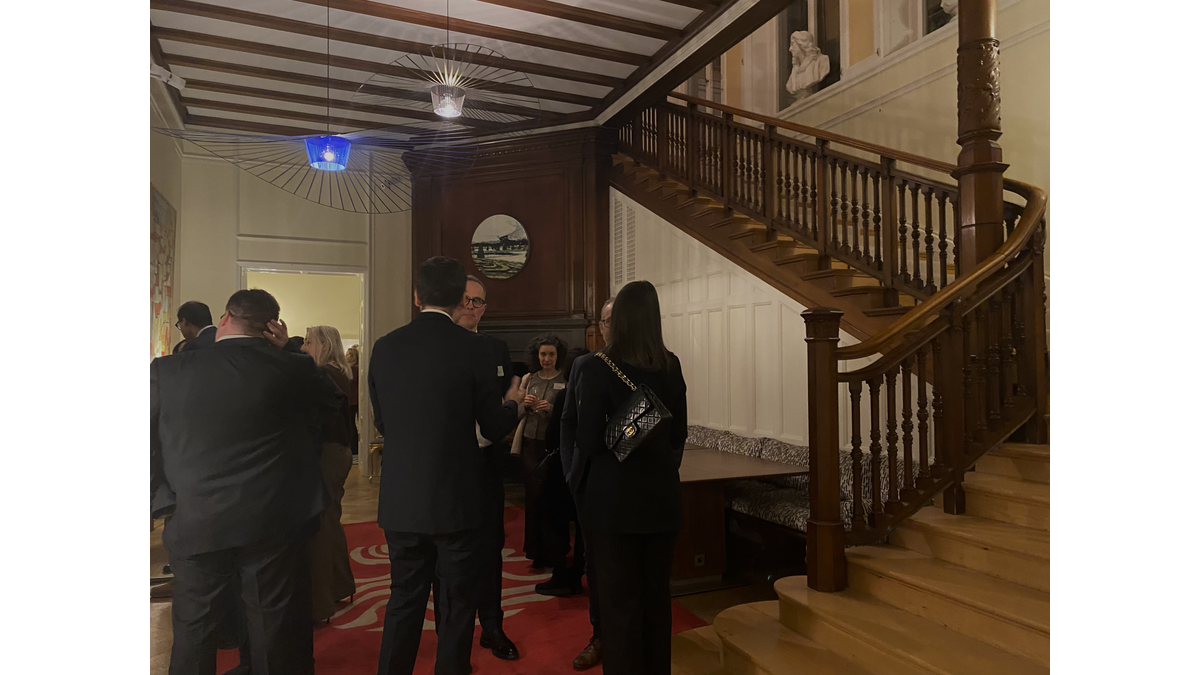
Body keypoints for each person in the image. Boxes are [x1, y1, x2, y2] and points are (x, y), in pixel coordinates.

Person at [151, 289, 344, 675]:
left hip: (195, 515)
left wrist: (161, 500)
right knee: (271, 623)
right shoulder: (292, 368)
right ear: (272, 326)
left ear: (225, 318)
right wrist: (289, 348)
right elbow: (333, 400)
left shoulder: (167, 371)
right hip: (271, 518)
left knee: (195, 627)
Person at [369, 257, 525, 675]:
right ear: (459, 299)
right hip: (456, 497)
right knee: (457, 606)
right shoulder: (474, 349)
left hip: (401, 496)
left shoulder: (385, 346)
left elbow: (383, 421)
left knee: (403, 601)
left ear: (416, 296)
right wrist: (514, 403)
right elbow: (492, 425)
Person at [570, 281, 688, 675]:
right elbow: (678, 433)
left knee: (619, 605)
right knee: (657, 601)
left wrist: (619, 431)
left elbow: (588, 442)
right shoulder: (671, 364)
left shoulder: (597, 367)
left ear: (617, 318)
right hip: (661, 499)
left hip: (613, 503)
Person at [443, 274, 521, 660]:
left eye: (478, 301)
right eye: (464, 299)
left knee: (490, 549)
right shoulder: (436, 348)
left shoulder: (495, 349)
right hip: (446, 467)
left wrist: (513, 407)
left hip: (487, 463)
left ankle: (492, 626)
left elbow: (504, 405)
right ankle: (452, 637)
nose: (470, 306)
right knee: (450, 554)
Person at [559, 297, 614, 670]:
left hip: (632, 487)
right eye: (606, 320)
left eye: (617, 319)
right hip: (590, 484)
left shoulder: (656, 365)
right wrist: (571, 471)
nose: (611, 326)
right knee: (596, 566)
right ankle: (600, 635)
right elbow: (569, 422)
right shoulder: (586, 365)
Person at [301, 325, 358, 622]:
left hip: (329, 452)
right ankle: (338, 587)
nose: (303, 348)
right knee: (330, 520)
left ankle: (321, 603)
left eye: (309, 341)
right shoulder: (336, 372)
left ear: (324, 345)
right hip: (336, 450)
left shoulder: (327, 373)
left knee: (321, 524)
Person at [535, 347, 590, 598]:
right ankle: (577, 575)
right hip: (587, 468)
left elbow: (554, 435)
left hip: (561, 469)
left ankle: (560, 575)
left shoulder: (565, 395)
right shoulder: (596, 394)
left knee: (554, 523)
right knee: (582, 526)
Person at [517, 334, 567, 567]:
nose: (547, 358)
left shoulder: (565, 380)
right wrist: (525, 405)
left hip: (552, 446)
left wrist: (551, 408)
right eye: (543, 354)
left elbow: (568, 413)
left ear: (558, 356)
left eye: (551, 354)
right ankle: (535, 550)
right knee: (533, 495)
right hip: (530, 443)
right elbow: (515, 410)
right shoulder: (529, 379)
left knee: (551, 497)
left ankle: (554, 549)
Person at [346, 345, 361, 455]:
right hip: (352, 399)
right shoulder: (350, 369)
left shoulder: (354, 370)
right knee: (350, 424)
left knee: (351, 424)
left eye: (348, 354)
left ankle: (354, 448)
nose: (345, 356)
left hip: (353, 400)